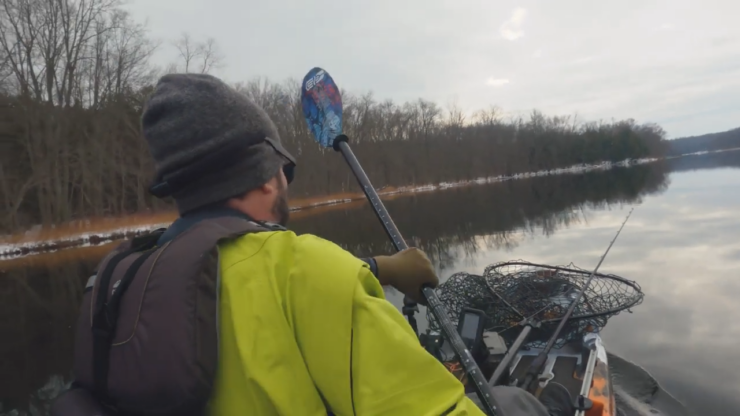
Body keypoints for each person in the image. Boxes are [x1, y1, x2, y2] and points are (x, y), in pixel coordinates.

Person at [52, 73, 573, 416]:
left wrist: (378, 268)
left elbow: (237, 293)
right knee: (515, 402)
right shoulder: (306, 270)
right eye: (285, 169)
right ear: (262, 175)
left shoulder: (116, 281)